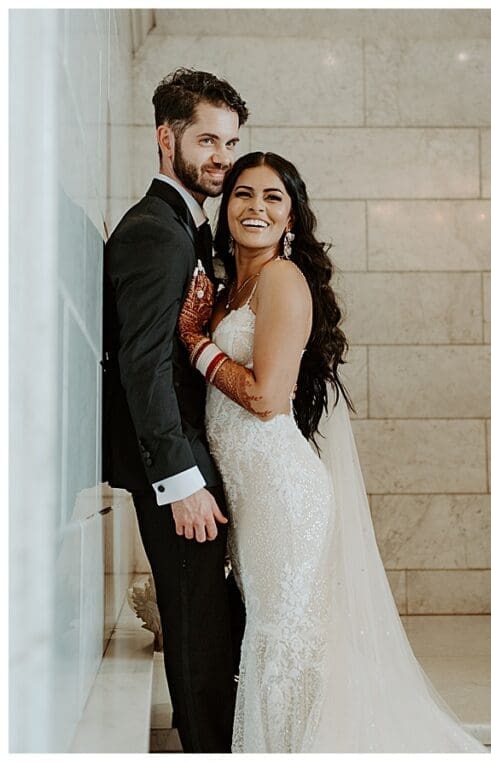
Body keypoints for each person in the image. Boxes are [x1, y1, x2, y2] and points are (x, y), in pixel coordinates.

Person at [176, 151, 485, 752]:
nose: (256, 208)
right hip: (252, 493)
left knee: (284, 637)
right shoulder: (232, 285)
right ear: (225, 205)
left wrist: (195, 344)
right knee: (278, 633)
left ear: (292, 218)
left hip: (282, 495)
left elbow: (266, 398)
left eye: (273, 198)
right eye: (244, 194)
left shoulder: (282, 280)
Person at [101, 68, 247, 752]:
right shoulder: (156, 232)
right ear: (168, 139)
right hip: (175, 467)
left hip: (190, 456)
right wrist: (180, 480)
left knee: (209, 622)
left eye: (230, 141)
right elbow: (143, 364)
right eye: (207, 140)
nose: (221, 155)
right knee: (197, 627)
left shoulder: (189, 228)